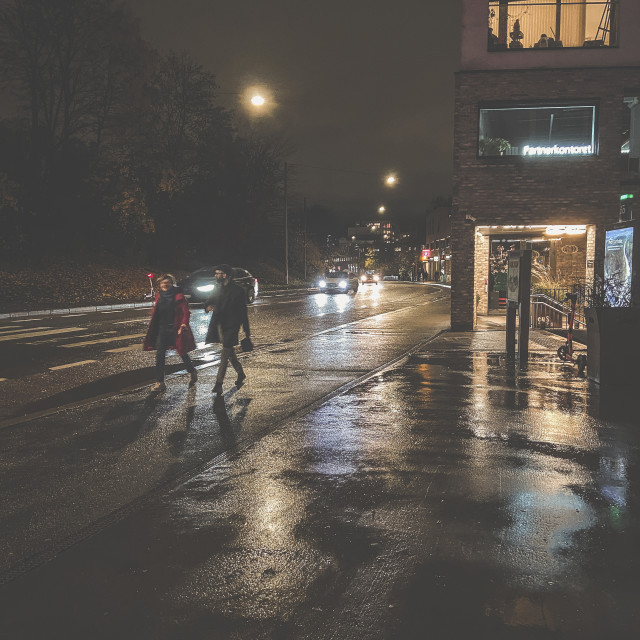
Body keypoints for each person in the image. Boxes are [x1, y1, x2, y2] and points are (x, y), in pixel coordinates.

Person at [143, 273, 197, 392]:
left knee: (182, 353)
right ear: (160, 284)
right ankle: (160, 382)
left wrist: (183, 324)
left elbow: (185, 312)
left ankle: (192, 371)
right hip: (162, 330)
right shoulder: (159, 296)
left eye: (167, 282)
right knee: (160, 356)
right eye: (163, 283)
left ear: (172, 283)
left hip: (175, 329)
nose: (165, 284)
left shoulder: (179, 296)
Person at [205, 264, 250, 395]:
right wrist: (207, 306)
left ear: (227, 275)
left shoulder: (238, 291)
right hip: (219, 325)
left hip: (232, 326)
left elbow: (243, 312)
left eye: (220, 273)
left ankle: (218, 383)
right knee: (230, 352)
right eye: (216, 273)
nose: (217, 275)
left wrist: (247, 332)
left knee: (224, 354)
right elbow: (209, 301)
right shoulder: (217, 288)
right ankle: (241, 373)